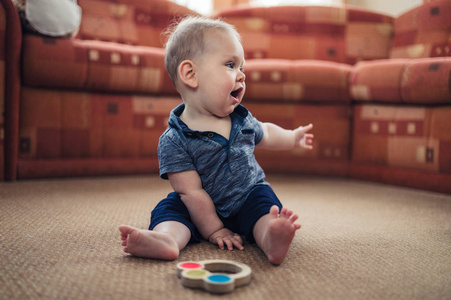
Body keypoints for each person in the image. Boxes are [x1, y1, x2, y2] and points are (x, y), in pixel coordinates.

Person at [119, 16, 314, 265]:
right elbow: (191, 192)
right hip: (199, 207)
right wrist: (214, 230)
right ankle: (166, 239)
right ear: (191, 74)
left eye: (242, 67)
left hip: (247, 195)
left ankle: (270, 237)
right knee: (170, 209)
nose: (242, 76)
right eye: (231, 65)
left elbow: (267, 132)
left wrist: (293, 137)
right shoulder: (174, 139)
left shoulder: (241, 119)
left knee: (265, 204)